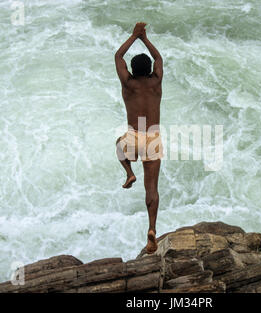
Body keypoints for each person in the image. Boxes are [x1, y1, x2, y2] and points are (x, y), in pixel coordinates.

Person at [114, 22, 163, 254]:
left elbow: (118, 55)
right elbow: (159, 59)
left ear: (132, 70)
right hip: (152, 136)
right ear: (150, 69)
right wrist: (145, 39)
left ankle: (129, 173)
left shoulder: (128, 84)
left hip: (135, 135)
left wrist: (134, 36)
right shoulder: (156, 83)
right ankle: (152, 229)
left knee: (118, 145)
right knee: (151, 188)